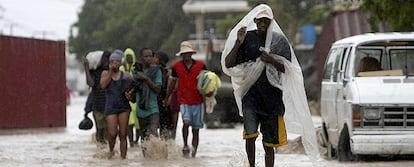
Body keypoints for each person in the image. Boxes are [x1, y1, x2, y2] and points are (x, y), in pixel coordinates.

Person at [222, 4, 320, 166]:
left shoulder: (279, 41)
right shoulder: (246, 38)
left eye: (266, 21)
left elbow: (288, 69)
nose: (262, 24)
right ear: (255, 21)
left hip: (272, 100)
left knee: (270, 144)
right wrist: (238, 44)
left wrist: (272, 60)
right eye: (260, 21)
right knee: (250, 135)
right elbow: (229, 63)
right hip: (251, 97)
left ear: (271, 22)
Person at [164, 41, 207, 158]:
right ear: (182, 55)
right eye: (184, 54)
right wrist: (167, 97)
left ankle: (194, 154)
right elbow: (172, 84)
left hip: (198, 101)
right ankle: (185, 145)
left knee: (196, 129)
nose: (186, 55)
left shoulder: (201, 65)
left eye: (188, 53)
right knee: (186, 123)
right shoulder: (176, 67)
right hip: (183, 100)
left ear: (191, 54)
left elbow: (207, 82)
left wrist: (208, 97)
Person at [100, 50, 133, 159]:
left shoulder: (126, 75)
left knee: (123, 134)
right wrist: (110, 71)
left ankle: (123, 158)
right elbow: (103, 85)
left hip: (123, 107)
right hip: (110, 107)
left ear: (120, 63)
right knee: (112, 133)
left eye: (117, 61)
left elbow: (133, 88)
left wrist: (130, 93)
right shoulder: (105, 74)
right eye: (113, 62)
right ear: (110, 63)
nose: (115, 64)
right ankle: (111, 151)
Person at [131, 48, 162, 157]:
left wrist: (146, 78)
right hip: (141, 110)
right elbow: (132, 88)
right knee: (144, 137)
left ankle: (158, 157)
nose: (149, 58)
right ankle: (147, 160)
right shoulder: (135, 71)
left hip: (153, 109)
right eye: (146, 56)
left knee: (153, 132)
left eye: (151, 56)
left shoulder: (157, 71)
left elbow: (158, 89)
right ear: (141, 58)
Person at [84, 50, 111, 145]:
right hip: (98, 106)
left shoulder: (111, 72)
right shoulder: (95, 72)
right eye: (104, 61)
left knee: (109, 131)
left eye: (108, 61)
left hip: (110, 106)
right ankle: (100, 150)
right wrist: (86, 69)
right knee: (100, 130)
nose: (106, 63)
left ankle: (108, 151)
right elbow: (90, 83)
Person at [120, 48, 140, 147]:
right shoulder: (121, 68)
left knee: (138, 123)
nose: (129, 58)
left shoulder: (137, 68)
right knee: (129, 123)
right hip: (126, 99)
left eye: (130, 56)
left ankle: (137, 140)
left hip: (136, 100)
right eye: (127, 56)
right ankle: (131, 142)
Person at [154, 51, 175, 140]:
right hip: (162, 100)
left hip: (161, 99)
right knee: (164, 126)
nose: (153, 59)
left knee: (162, 125)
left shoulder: (164, 72)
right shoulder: (167, 71)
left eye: (155, 57)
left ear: (160, 60)